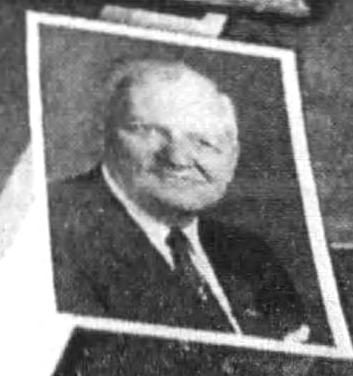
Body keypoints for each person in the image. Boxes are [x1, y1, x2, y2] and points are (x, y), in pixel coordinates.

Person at [48, 57, 320, 342]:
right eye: (149, 131)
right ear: (104, 135)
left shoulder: (250, 254)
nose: (177, 158)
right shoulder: (54, 228)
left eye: (204, 141)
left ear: (233, 156)